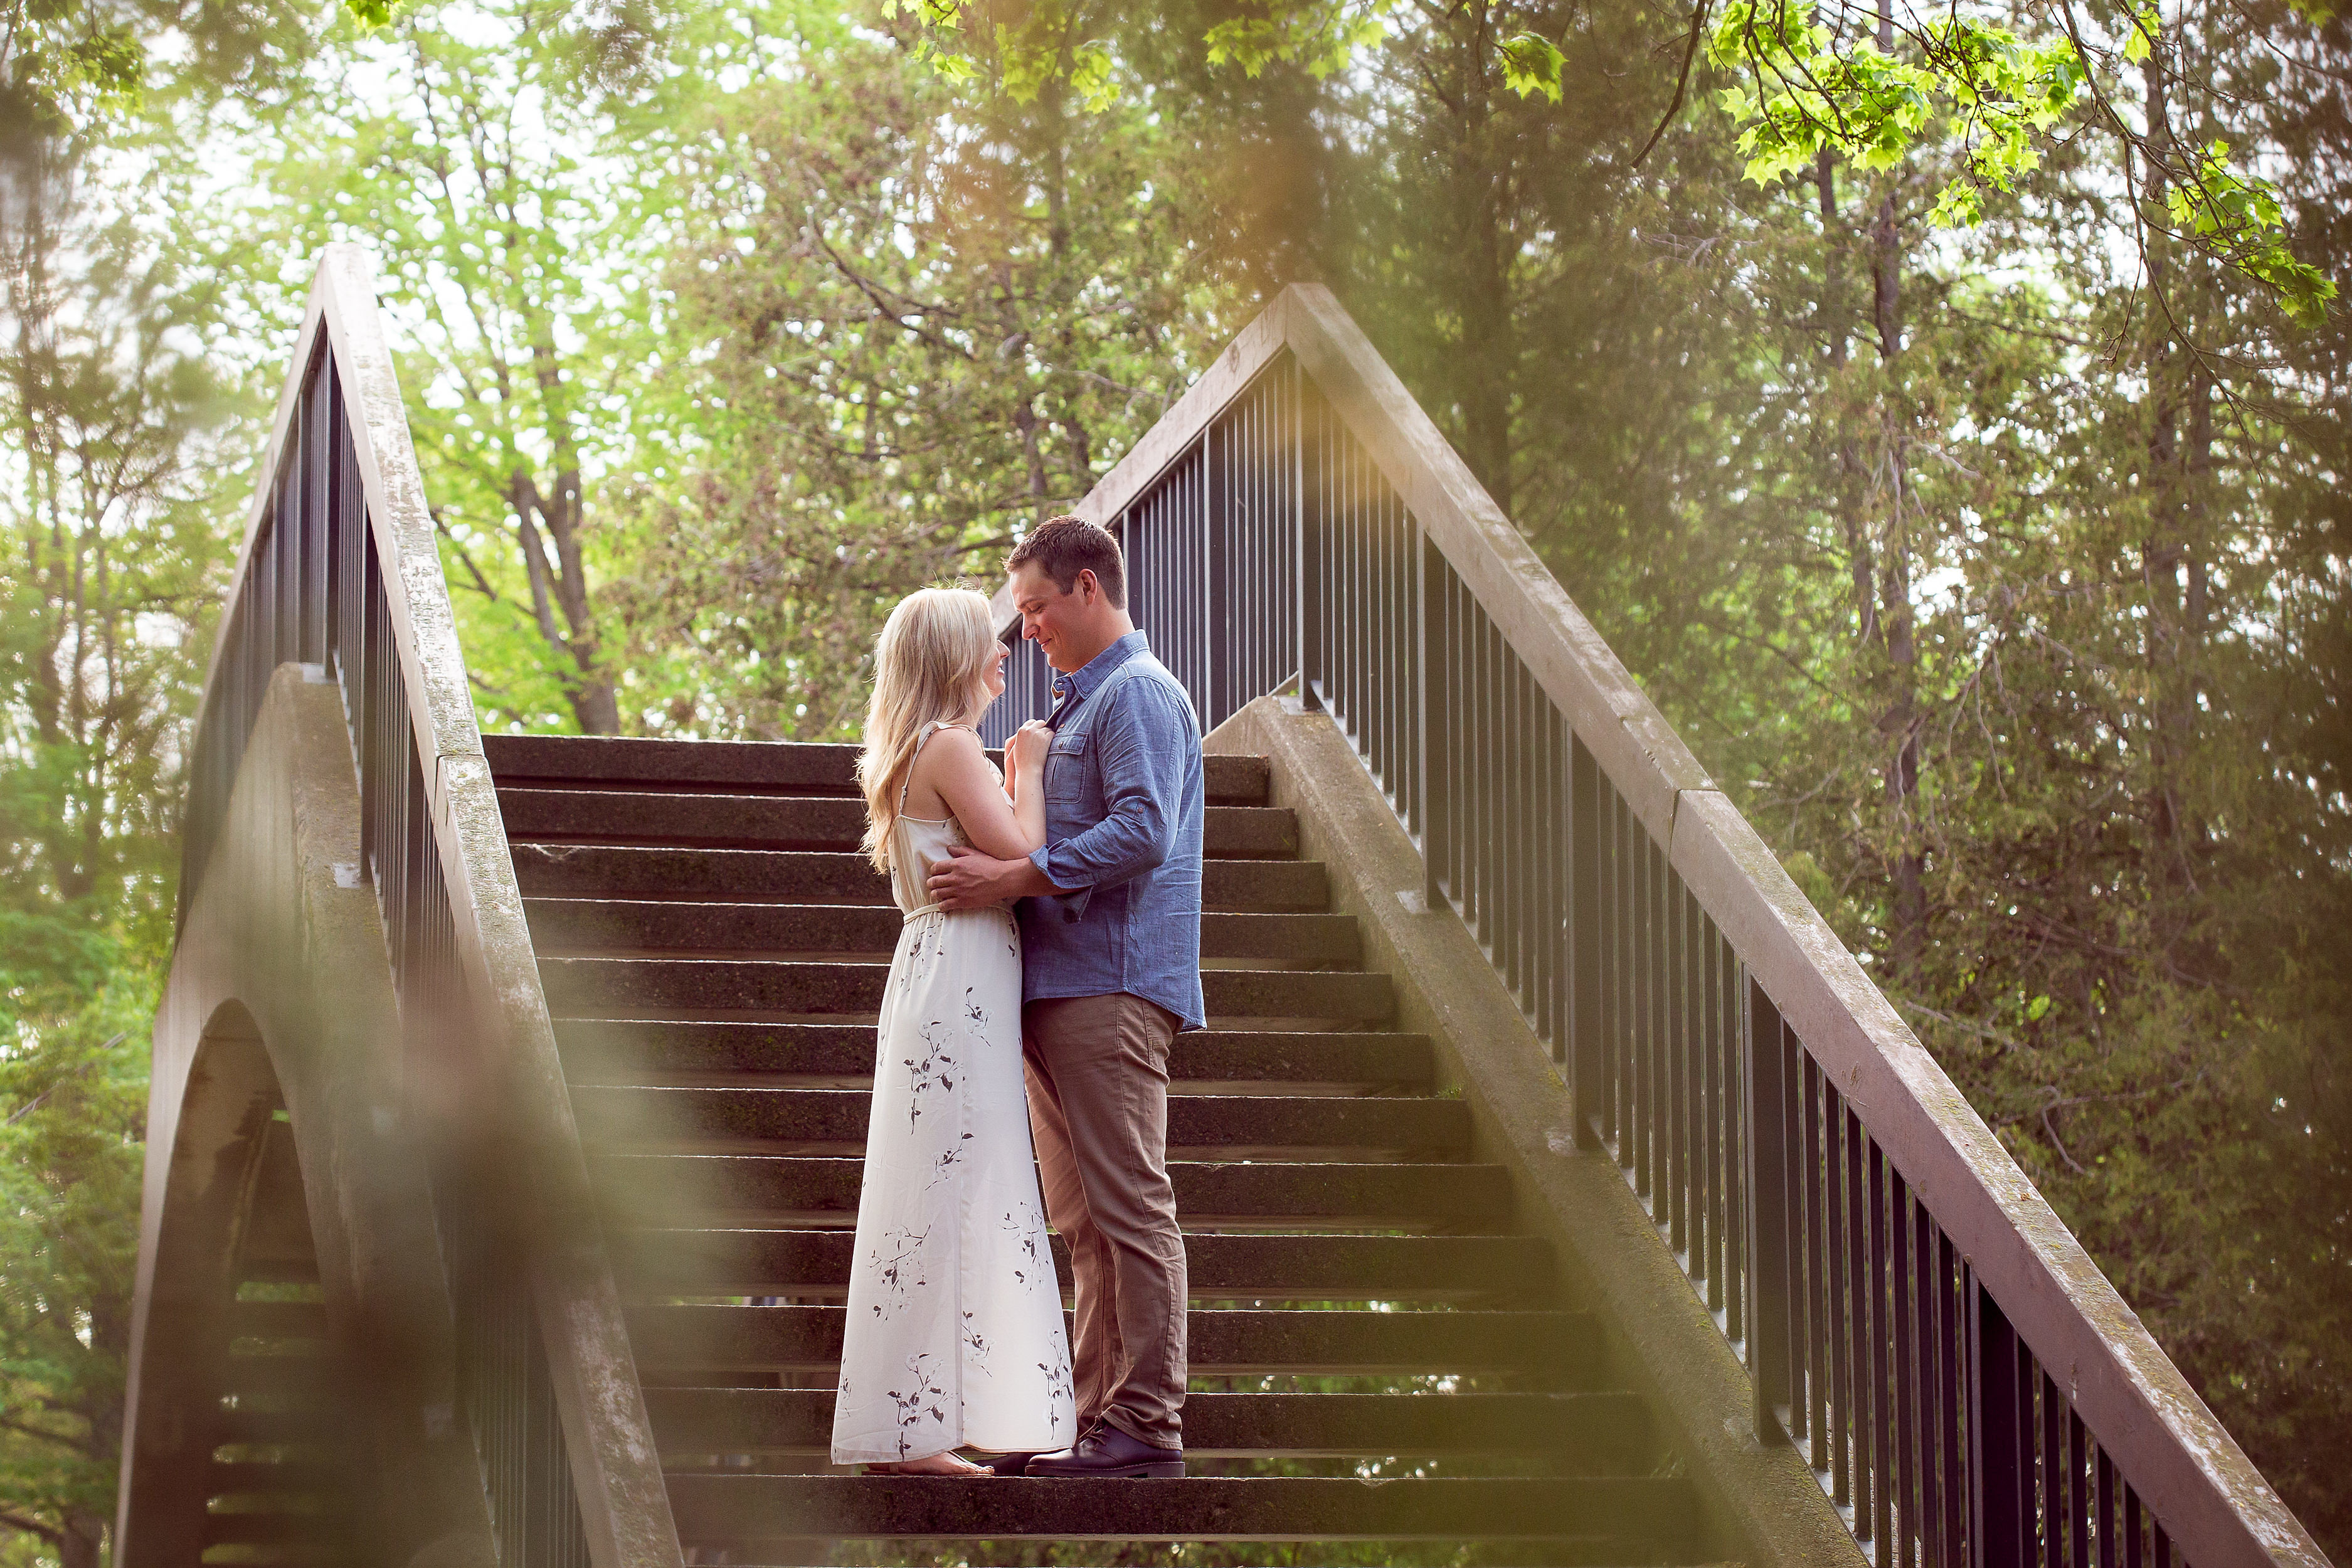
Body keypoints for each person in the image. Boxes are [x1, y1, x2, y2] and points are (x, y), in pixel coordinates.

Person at [929, 517, 1204, 1480]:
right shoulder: (1078, 708)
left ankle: (1148, 1425)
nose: (1026, 628)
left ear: (1088, 588)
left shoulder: (1137, 694)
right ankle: (1093, 1423)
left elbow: (1144, 834)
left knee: (1129, 1207)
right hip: (1057, 988)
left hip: (1113, 984)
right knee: (1082, 1220)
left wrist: (1015, 879)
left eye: (1037, 607)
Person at [829, 587, 1076, 1475]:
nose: (1005, 653)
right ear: (951, 657)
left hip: (935, 970)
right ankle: (914, 1428)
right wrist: (1033, 767)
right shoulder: (945, 745)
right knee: (961, 1181)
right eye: (990, 642)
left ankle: (910, 1424)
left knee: (935, 1186)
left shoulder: (906, 751)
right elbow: (1022, 855)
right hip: (961, 974)